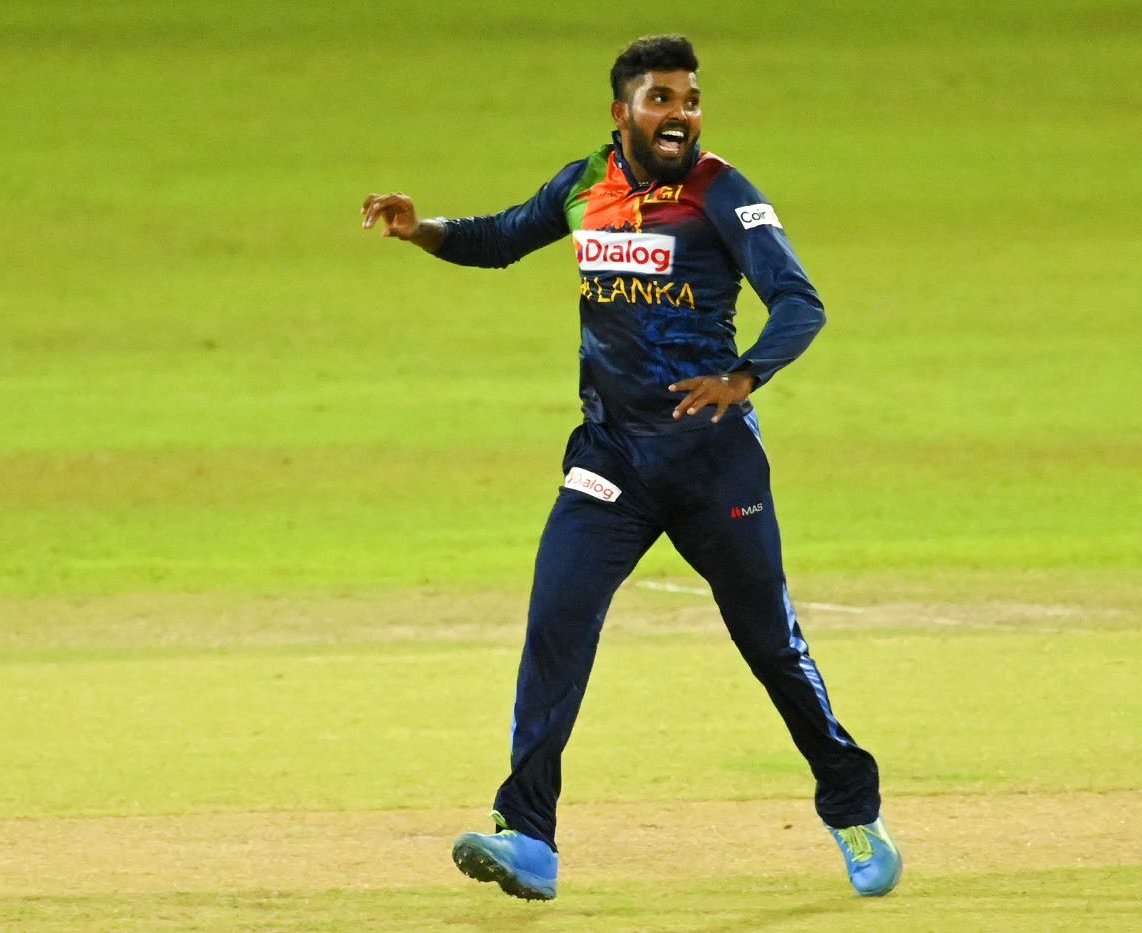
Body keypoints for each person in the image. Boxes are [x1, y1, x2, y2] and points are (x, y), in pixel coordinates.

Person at [360, 34, 900, 901]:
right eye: (660, 99)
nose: (679, 114)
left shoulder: (722, 192)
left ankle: (853, 809)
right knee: (555, 626)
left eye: (689, 99)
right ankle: (528, 835)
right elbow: (500, 238)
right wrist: (419, 228)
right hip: (611, 456)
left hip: (711, 460)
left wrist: (744, 374)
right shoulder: (584, 185)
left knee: (770, 644)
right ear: (622, 113)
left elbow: (801, 301)